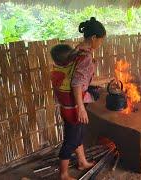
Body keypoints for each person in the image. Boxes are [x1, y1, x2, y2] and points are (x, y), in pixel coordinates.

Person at [50, 17, 106, 180]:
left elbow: (81, 80)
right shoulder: (84, 56)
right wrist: (81, 108)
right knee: (70, 140)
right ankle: (64, 174)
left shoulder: (76, 52)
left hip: (68, 105)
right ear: (94, 38)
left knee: (78, 134)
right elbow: (76, 83)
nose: (100, 44)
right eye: (101, 40)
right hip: (74, 107)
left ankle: (82, 162)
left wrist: (104, 80)